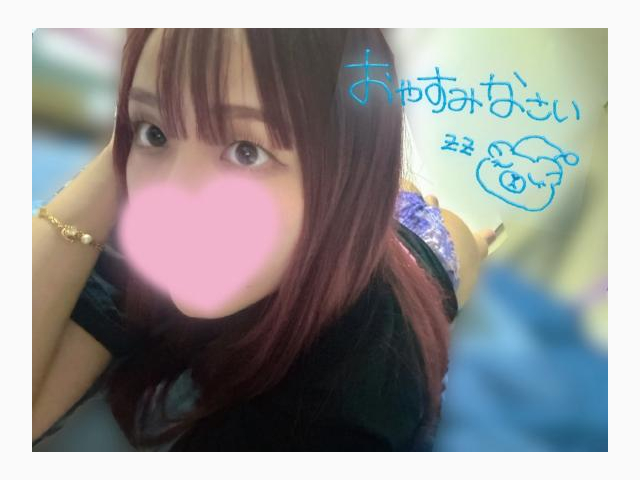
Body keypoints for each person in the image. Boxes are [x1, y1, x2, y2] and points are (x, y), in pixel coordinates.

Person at [32, 28, 494, 451]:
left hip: (422, 248)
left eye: (246, 151)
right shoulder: (149, 214)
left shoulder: (351, 404)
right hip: (349, 214)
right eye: (154, 131)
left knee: (464, 236)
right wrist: (135, 133)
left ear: (354, 175)